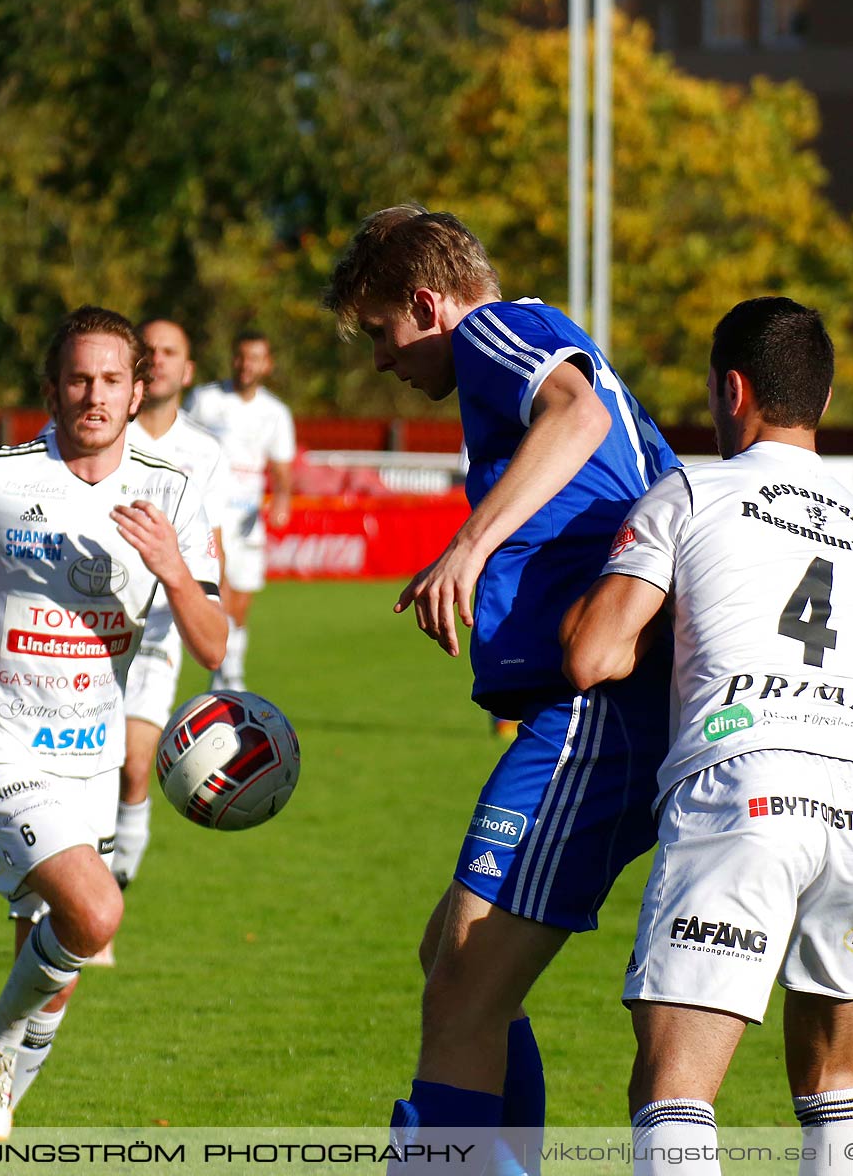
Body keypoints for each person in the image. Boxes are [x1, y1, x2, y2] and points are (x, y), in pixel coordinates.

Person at [323, 205, 679, 1144]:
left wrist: (469, 546)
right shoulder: (513, 348)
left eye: (381, 331)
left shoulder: (493, 331)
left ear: (430, 303)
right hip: (600, 704)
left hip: (599, 710)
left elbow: (579, 412)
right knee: (451, 956)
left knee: (463, 993)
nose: (381, 360)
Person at [561, 298, 853, 1176]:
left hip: (744, 785)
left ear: (732, 388)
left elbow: (593, 655)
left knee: (675, 1093)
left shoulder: (690, 488)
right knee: (837, 1088)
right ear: (822, 404)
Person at [0, 306, 225, 1162]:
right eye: (78, 379)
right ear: (51, 388)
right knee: (95, 912)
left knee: (52, 966)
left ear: (139, 388)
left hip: (89, 761)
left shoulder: (174, 488)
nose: (94, 396)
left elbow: (214, 644)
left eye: (111, 380)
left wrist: (175, 571)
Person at [101, 317, 227, 962]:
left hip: (157, 628)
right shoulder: (94, 435)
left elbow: (213, 546)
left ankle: (112, 889)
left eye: (170, 351)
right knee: (91, 769)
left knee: (130, 765)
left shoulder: (202, 450)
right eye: (147, 350)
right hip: (86, 625)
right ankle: (77, 903)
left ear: (187, 368)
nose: (158, 360)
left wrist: (205, 609)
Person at [183, 329, 294, 692]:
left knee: (241, 601)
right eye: (242, 356)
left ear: (267, 364)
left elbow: (281, 469)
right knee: (223, 587)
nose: (247, 365)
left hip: (248, 516)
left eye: (255, 358)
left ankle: (230, 670)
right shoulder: (204, 400)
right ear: (233, 359)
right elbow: (177, 443)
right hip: (211, 513)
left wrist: (280, 499)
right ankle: (226, 671)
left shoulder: (275, 412)